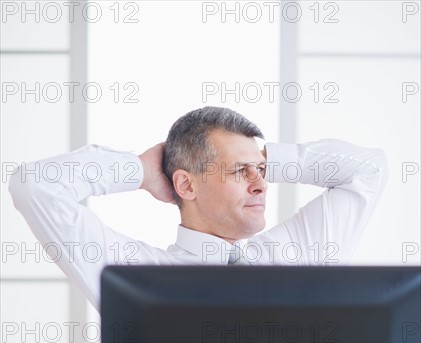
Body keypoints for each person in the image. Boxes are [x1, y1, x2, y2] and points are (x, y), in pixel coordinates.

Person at [9, 106, 388, 311]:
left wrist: (271, 157)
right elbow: (35, 185)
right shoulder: (133, 275)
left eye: (262, 171)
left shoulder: (300, 251)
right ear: (186, 185)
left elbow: (368, 169)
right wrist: (139, 170)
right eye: (241, 171)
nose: (261, 184)